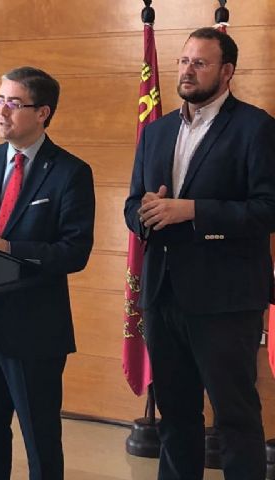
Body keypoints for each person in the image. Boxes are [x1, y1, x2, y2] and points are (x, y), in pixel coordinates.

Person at [124, 27, 275, 479]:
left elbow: (267, 209)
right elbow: (133, 204)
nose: (188, 71)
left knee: (235, 417)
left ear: (227, 72)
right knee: (175, 415)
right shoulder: (156, 131)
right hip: (163, 292)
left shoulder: (255, 127)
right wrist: (145, 213)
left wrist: (192, 210)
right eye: (184, 61)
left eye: (200, 63)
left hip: (225, 299)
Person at [0, 66, 95, 479]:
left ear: (42, 112)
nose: (1, 111)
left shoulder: (70, 172)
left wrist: (9, 249)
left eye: (13, 103)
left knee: (40, 441)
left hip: (35, 331)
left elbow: (74, 251)